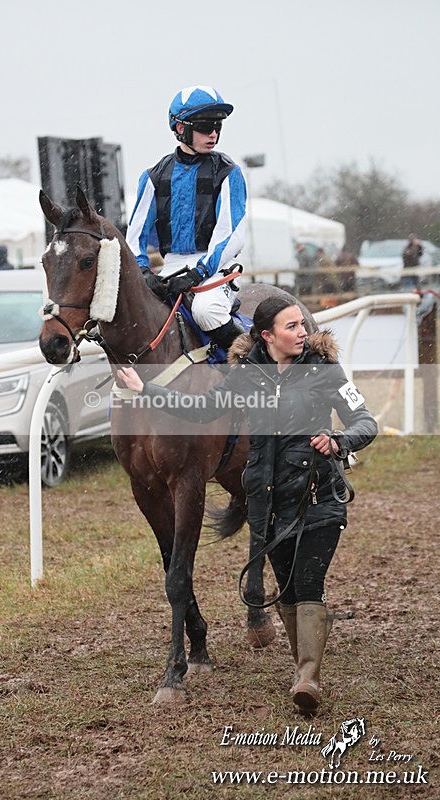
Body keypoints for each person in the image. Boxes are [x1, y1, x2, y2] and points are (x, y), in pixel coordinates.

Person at [117, 295, 377, 713]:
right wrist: (145, 388)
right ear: (266, 335)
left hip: (318, 495)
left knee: (308, 585)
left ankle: (307, 677)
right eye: (291, 326)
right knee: (289, 590)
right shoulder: (246, 376)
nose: (303, 331)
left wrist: (340, 441)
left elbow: (365, 420)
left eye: (302, 325)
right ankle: (303, 665)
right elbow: (200, 409)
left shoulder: (325, 368)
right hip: (270, 503)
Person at [126, 85, 247, 351]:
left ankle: (257, 367)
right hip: (171, 265)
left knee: (205, 311)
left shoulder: (228, 172)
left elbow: (231, 235)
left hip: (216, 267)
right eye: (205, 126)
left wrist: (199, 272)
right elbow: (134, 237)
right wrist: (144, 272)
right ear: (180, 128)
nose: (213, 133)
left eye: (217, 125)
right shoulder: (153, 177)